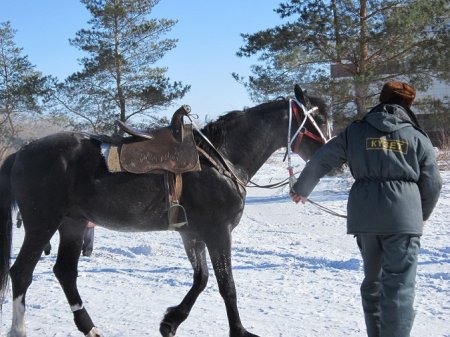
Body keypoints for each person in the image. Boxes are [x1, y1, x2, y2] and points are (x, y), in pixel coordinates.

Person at [290, 81, 442, 337]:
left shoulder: (355, 132)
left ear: (381, 100)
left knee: (373, 285)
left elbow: (322, 158)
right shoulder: (417, 137)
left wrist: (302, 188)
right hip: (403, 221)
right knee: (399, 288)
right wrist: (421, 215)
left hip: (366, 219)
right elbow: (434, 184)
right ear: (408, 104)